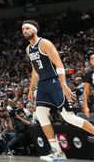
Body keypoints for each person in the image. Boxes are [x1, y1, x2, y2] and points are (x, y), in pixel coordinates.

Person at [22, 20, 94, 162]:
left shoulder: (45, 43)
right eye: (23, 29)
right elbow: (35, 71)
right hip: (42, 84)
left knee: (68, 117)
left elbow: (59, 63)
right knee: (41, 114)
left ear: (35, 30)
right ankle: (57, 152)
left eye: (27, 28)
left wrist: (64, 85)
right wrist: (31, 88)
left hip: (54, 81)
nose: (24, 30)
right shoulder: (28, 49)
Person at [82, 53, 94, 121]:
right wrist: (85, 106)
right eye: (92, 58)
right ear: (90, 61)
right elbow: (86, 91)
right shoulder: (88, 75)